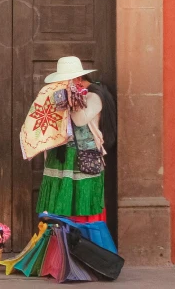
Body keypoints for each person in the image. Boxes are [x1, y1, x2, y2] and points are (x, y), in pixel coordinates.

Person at [36, 56, 117, 223]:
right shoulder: (64, 95)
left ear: (78, 79)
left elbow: (80, 120)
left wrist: (70, 102)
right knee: (60, 201)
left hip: (83, 158)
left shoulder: (95, 96)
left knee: (83, 200)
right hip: (62, 157)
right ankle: (60, 242)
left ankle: (83, 243)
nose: (61, 85)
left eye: (64, 81)